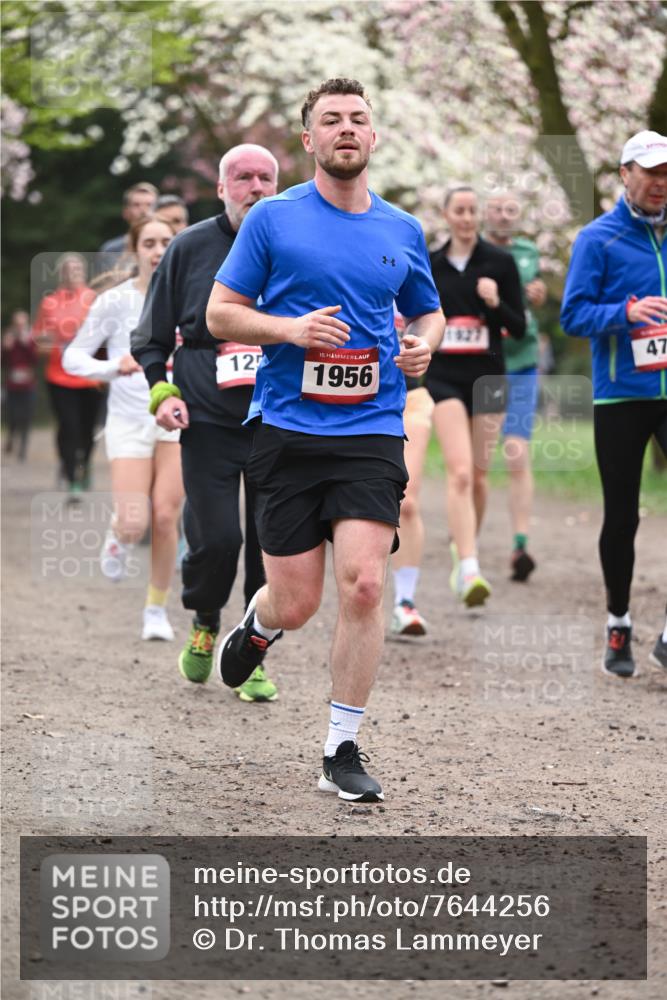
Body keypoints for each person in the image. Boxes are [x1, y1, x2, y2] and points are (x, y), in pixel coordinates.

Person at [206, 77, 444, 802]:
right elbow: (220, 314)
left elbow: (427, 312)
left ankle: (340, 746)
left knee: (366, 584)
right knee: (298, 603)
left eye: (358, 119)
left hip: (372, 424)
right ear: (308, 140)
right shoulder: (273, 220)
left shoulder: (400, 229)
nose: (346, 128)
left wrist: (421, 346)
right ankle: (257, 624)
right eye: (330, 120)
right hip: (285, 427)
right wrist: (289, 329)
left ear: (373, 138)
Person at [131, 144, 280, 702]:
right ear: (221, 188)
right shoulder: (190, 246)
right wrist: (161, 392)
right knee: (218, 538)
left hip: (278, 419)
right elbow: (150, 336)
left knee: (272, 543)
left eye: (266, 177)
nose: (256, 187)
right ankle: (205, 620)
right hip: (208, 415)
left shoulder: (293, 244)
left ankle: (254, 649)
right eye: (243, 178)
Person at [561, 129, 667, 677]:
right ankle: (619, 622)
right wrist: (625, 313)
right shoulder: (597, 239)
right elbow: (572, 316)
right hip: (621, 393)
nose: (660, 183)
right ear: (625, 175)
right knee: (622, 514)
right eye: (651, 172)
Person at [63, 215, 183, 641]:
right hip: (129, 420)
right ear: (134, 250)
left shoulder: (193, 299)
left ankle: (155, 610)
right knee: (135, 523)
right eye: (149, 242)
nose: (158, 250)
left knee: (167, 517)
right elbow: (71, 359)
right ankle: (118, 535)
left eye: (166, 242)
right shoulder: (114, 302)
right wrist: (117, 365)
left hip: (176, 420)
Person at [426, 186, 525, 607]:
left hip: (488, 378)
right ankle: (469, 566)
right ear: (446, 215)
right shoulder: (430, 264)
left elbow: (519, 327)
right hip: (444, 378)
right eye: (459, 210)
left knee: (481, 477)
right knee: (461, 473)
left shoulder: (500, 263)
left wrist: (495, 302)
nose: (466, 218)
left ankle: (463, 545)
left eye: (472, 211)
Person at [485, 192, 547, 581]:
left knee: (516, 453)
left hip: (522, 363)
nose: (505, 217)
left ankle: (520, 544)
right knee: (476, 461)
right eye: (497, 210)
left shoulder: (528, 252)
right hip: (484, 366)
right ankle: (467, 550)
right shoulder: (471, 253)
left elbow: (531, 297)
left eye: (512, 211)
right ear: (485, 214)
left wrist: (537, 294)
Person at [32, 253, 103, 499]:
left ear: (83, 273)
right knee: (68, 427)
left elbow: (107, 335)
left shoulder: (94, 300)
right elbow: (38, 339)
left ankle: (85, 464)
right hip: (59, 376)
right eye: (68, 270)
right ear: (61, 274)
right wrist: (51, 343)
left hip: (90, 376)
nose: (72, 273)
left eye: (77, 269)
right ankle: (72, 477)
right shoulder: (49, 303)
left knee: (87, 429)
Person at [389, 311, 433, 637]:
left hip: (411, 396)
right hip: (353, 398)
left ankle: (405, 601)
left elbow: (434, 316)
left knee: (407, 502)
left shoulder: (410, 263)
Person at [98, 182, 159, 273]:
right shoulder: (111, 250)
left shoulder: (170, 247)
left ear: (159, 211)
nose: (143, 210)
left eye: (149, 205)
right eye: (136, 205)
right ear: (125, 212)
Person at [2, 310, 38, 461]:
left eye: (22, 324)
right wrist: (4, 348)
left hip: (28, 385)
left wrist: (26, 343)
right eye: (17, 324)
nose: (19, 327)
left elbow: (36, 360)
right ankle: (10, 438)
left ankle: (23, 449)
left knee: (26, 417)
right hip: (11, 385)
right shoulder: (8, 339)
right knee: (12, 416)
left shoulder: (31, 339)